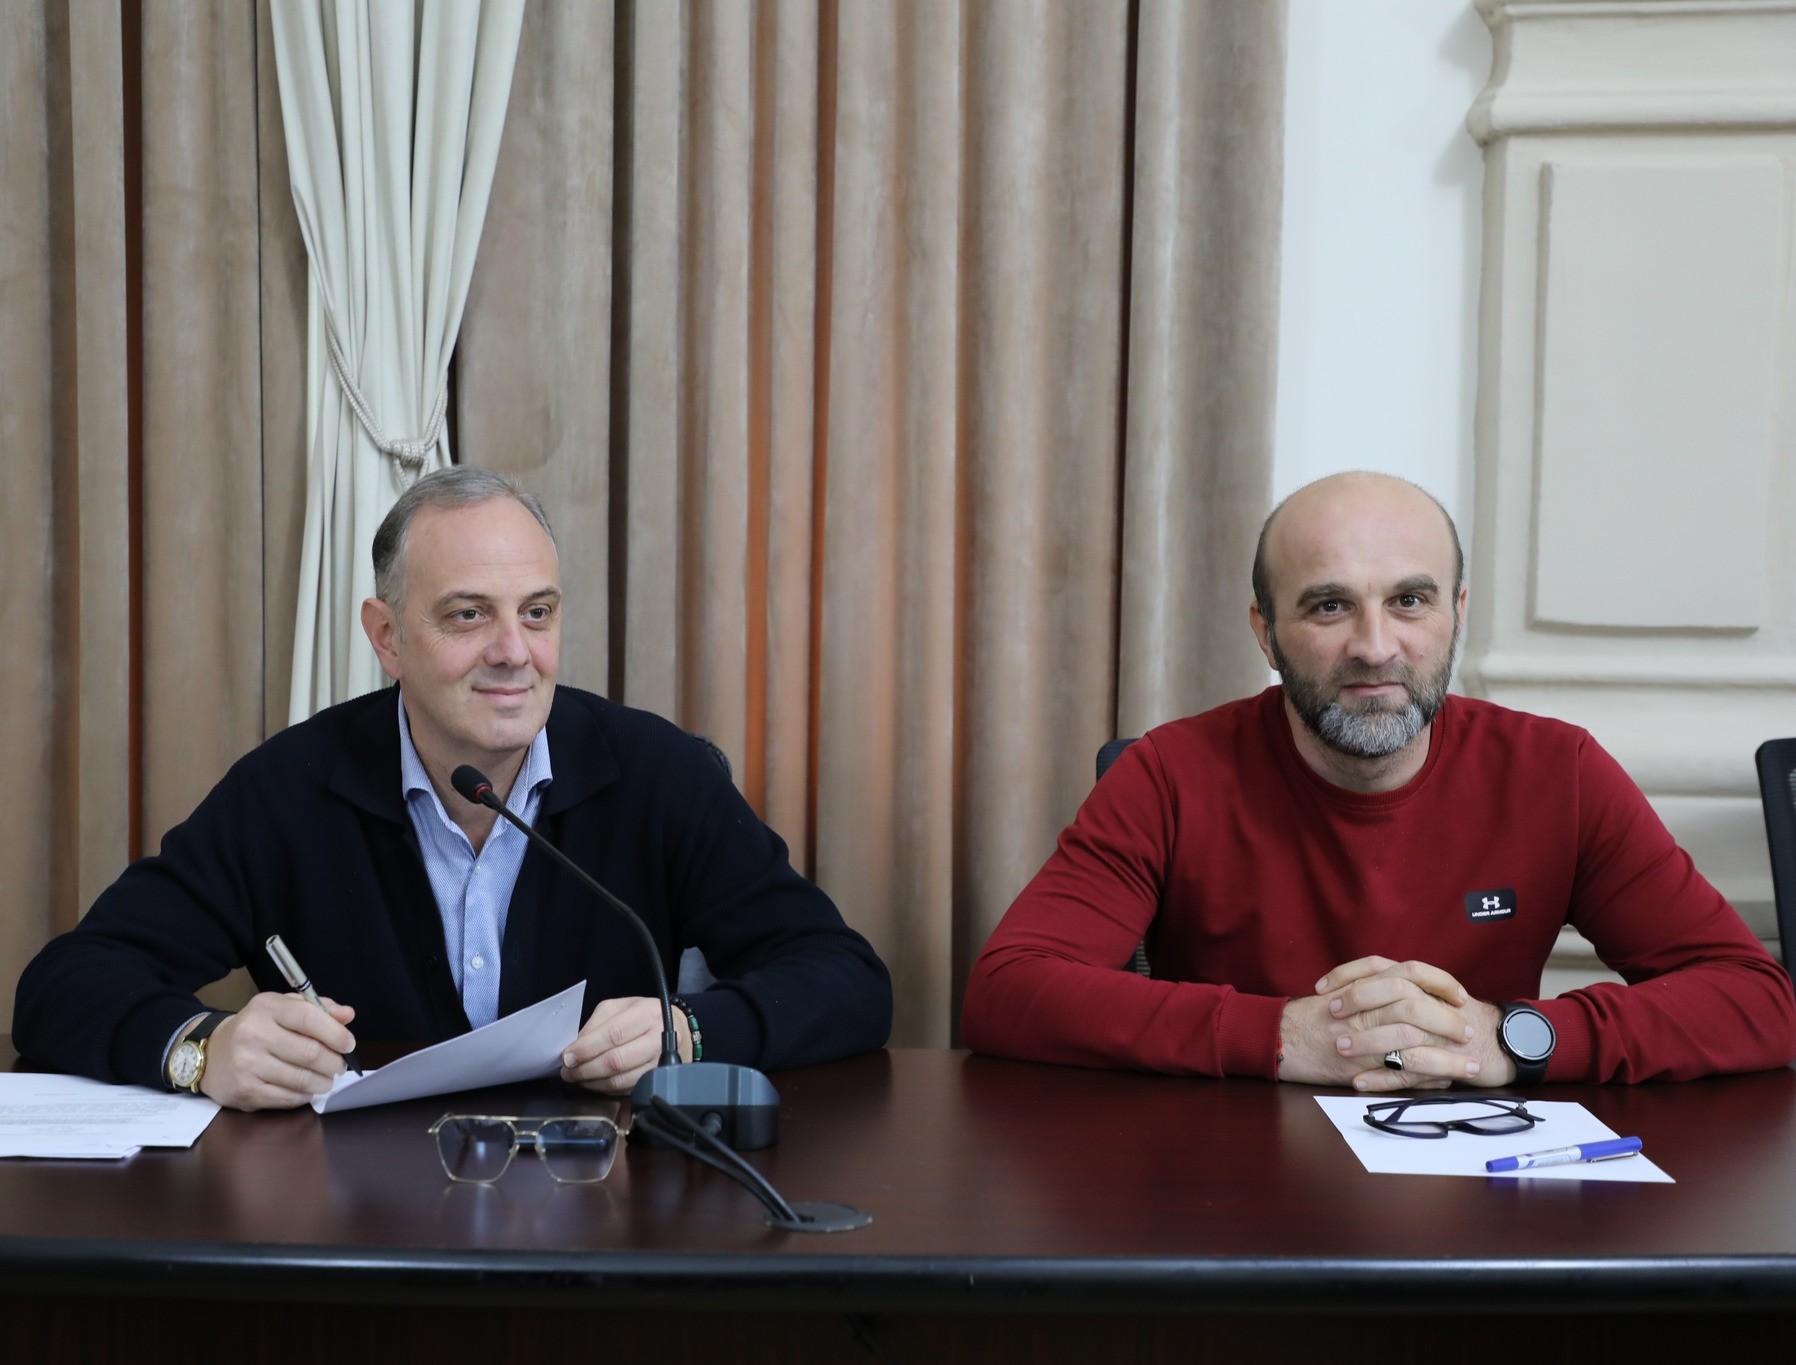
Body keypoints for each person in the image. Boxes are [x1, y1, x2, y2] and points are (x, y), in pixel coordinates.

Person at [14, 467, 892, 1109]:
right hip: (359, 1225)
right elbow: (63, 985)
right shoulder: (289, 789)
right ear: (387, 637)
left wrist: (691, 1030)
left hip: (604, 1212)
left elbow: (847, 978)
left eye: (537, 613)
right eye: (469, 614)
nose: (513, 651)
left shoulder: (656, 773)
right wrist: (202, 1050)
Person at [961, 471, 1796, 1089]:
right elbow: (1006, 991)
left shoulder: (1559, 771)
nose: (1375, 645)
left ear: (1457, 613)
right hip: (1230, 1192)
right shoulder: (1169, 773)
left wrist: (1507, 1037)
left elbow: (1757, 1000)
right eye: (1329, 606)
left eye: (1409, 601)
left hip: (1478, 1193)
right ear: (1266, 632)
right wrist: (1281, 1034)